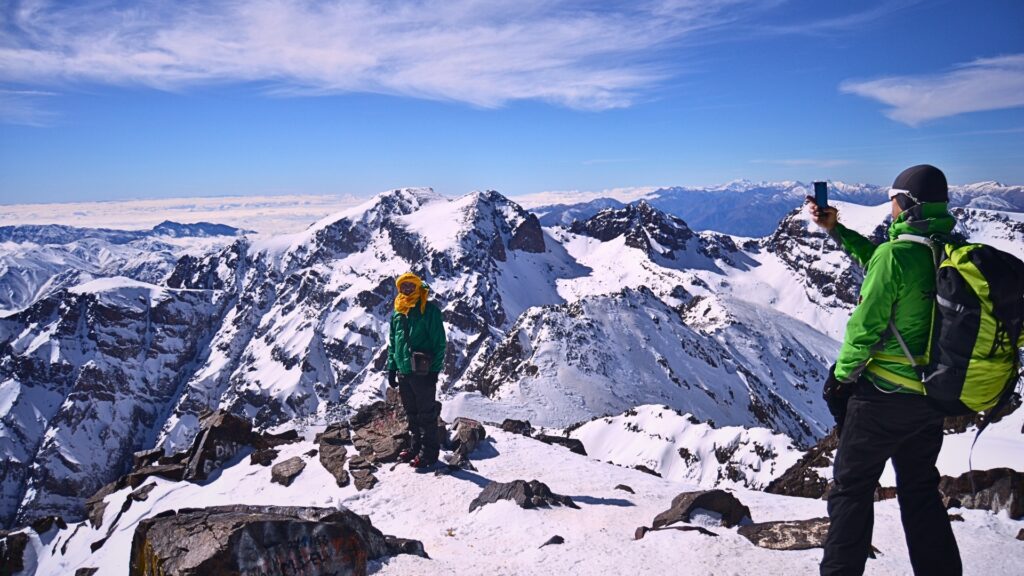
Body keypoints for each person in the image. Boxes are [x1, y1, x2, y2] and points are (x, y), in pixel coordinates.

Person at [809, 165, 962, 576]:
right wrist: (836, 230)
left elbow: (866, 327)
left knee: (851, 492)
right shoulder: (949, 249)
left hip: (882, 399)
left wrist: (840, 378)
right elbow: (878, 258)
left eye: (894, 198)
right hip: (930, 398)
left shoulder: (898, 256)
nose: (890, 206)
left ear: (908, 202)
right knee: (920, 492)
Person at [386, 271, 447, 469]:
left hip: (423, 372)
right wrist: (392, 368)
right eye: (403, 287)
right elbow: (393, 342)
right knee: (411, 413)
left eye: (411, 286)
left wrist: (434, 371)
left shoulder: (429, 311)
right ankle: (415, 447)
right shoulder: (398, 312)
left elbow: (440, 343)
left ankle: (429, 454)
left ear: (419, 287)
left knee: (426, 414)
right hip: (404, 370)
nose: (407, 290)